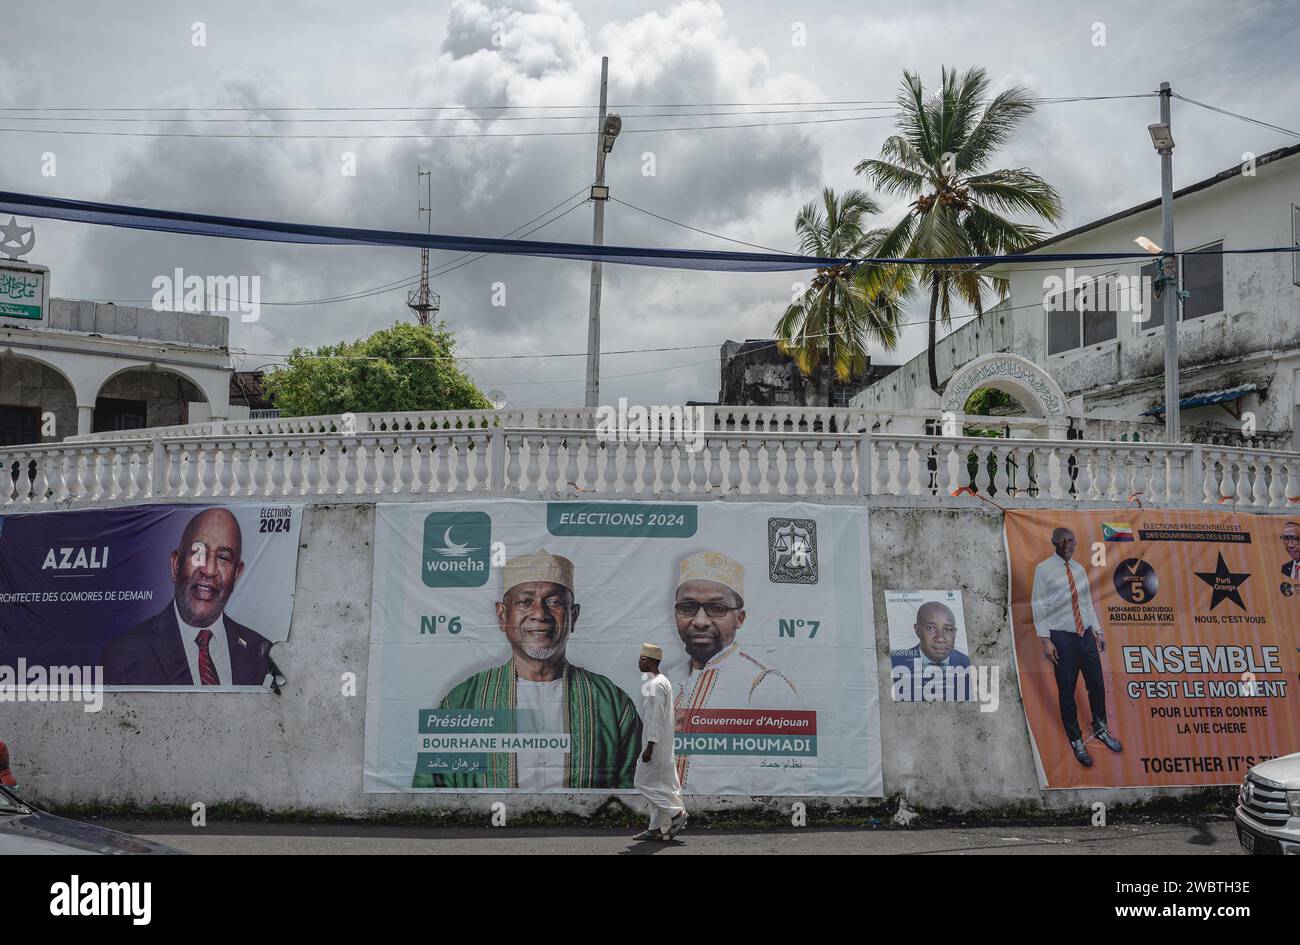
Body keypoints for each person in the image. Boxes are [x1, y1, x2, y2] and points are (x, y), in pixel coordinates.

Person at [415, 550, 639, 790]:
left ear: (573, 616)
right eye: (525, 602)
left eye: (553, 602)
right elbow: (432, 794)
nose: (540, 614)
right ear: (502, 616)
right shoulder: (462, 701)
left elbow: (634, 795)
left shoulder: (612, 704)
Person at [666, 551, 799, 791]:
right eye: (687, 607)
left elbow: (786, 778)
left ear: (740, 618)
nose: (700, 621)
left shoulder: (763, 683)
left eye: (716, 608)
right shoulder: (667, 681)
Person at [101, 508, 270, 686]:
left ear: (236, 574)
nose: (209, 570)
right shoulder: (125, 654)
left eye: (223, 558)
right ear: (176, 565)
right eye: (198, 553)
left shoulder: (260, 651)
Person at [1030, 526, 1122, 767]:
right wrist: (1045, 640)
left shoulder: (1080, 569)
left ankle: (1101, 729)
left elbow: (1086, 603)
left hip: (1085, 637)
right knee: (1067, 692)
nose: (1070, 545)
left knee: (1097, 686)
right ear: (1055, 542)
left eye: (1073, 541)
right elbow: (1038, 605)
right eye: (1065, 541)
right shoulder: (1044, 570)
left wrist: (1098, 631)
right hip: (1061, 638)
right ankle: (1075, 739)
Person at [632, 643, 687, 842]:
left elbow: (656, 718)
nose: (639, 662)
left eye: (643, 658)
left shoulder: (655, 685)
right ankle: (655, 829)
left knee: (642, 782)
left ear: (653, 661)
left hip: (655, 746)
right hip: (662, 745)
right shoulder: (661, 681)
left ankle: (676, 814)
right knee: (659, 787)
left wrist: (649, 746)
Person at [890, 601, 971, 699]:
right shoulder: (894, 664)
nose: (940, 638)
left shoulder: (968, 665)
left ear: (955, 632)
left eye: (948, 629)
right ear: (917, 630)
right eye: (931, 628)